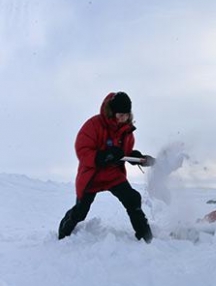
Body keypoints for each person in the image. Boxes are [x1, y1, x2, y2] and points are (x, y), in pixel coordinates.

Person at [58, 92, 155, 243]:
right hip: (92, 175)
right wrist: (102, 156)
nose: (123, 118)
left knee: (133, 199)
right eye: (120, 114)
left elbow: (125, 153)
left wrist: (139, 159)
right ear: (112, 112)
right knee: (81, 212)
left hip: (113, 175)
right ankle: (62, 235)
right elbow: (82, 150)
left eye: (126, 115)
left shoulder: (127, 131)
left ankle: (146, 238)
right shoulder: (94, 125)